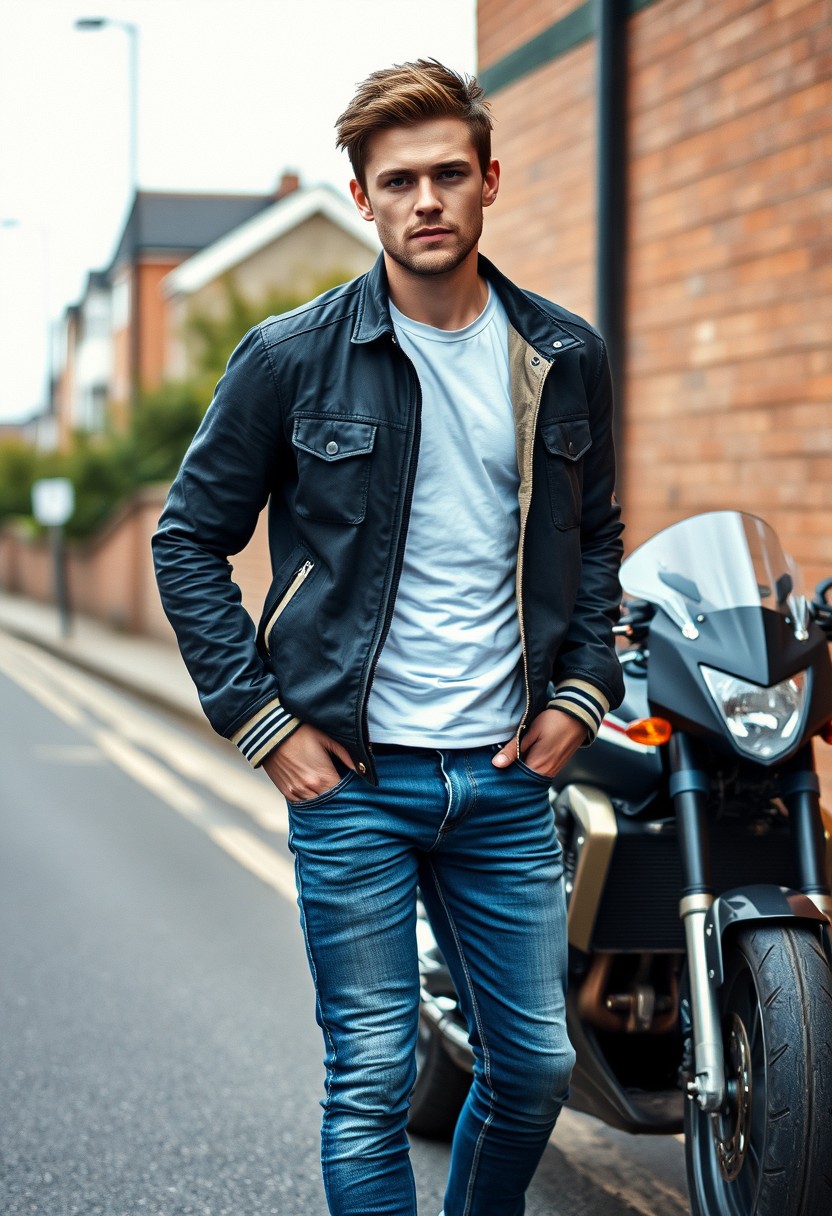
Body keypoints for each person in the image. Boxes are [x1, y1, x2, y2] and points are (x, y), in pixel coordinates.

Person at [153, 58, 623, 1216]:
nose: (426, 200)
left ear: (490, 182)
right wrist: (266, 727)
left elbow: (598, 536)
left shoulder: (561, 356)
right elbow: (185, 540)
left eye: (448, 175)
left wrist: (581, 694)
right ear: (360, 198)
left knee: (533, 1067)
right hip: (353, 779)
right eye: (398, 179)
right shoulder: (290, 356)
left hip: (505, 777)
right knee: (368, 1079)